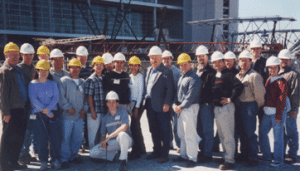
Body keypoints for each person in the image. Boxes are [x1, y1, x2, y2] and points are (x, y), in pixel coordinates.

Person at [210, 51, 244, 170]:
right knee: (221, 134)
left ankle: (230, 160)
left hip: (226, 108)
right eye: (214, 62)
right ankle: (226, 156)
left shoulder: (228, 74)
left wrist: (231, 99)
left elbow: (239, 86)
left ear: (223, 62)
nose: (217, 64)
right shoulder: (216, 75)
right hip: (218, 108)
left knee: (228, 135)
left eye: (219, 62)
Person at [0, 42, 28, 170]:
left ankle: (14, 161)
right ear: (5, 55)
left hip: (21, 109)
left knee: (18, 137)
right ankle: (4, 164)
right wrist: (6, 112)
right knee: (7, 139)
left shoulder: (18, 69)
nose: (16, 57)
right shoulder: (5, 71)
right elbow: (3, 94)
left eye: (17, 55)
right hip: (11, 110)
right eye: (12, 55)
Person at [28, 60, 61, 170]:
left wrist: (49, 111)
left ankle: (54, 160)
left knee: (54, 138)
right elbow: (33, 99)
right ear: (37, 71)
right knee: (41, 139)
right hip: (39, 114)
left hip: (52, 113)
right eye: (41, 71)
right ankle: (43, 161)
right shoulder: (32, 84)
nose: (44, 73)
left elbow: (55, 98)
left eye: (46, 71)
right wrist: (45, 110)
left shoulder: (52, 83)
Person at [235, 50, 266, 166]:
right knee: (241, 132)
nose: (243, 63)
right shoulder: (238, 76)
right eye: (241, 60)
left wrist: (258, 105)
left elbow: (259, 93)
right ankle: (244, 154)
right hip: (239, 106)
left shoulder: (254, 76)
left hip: (249, 106)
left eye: (245, 61)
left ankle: (253, 158)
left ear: (250, 62)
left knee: (250, 133)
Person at [144, 46, 174, 163]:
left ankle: (164, 154)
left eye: (156, 58)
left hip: (162, 106)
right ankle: (156, 150)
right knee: (153, 129)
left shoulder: (167, 71)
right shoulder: (148, 70)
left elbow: (170, 89)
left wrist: (167, 103)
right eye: (151, 58)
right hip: (150, 104)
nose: (153, 60)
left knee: (164, 129)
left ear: (161, 58)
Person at [90, 91, 132, 171]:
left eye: (113, 102)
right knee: (93, 153)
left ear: (117, 103)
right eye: (109, 102)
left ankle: (123, 161)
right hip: (114, 142)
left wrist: (109, 136)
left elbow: (124, 127)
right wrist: (102, 142)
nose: (111, 104)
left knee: (122, 134)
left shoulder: (123, 112)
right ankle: (112, 156)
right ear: (106, 104)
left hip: (126, 140)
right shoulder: (105, 118)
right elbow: (103, 135)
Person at [58, 58, 89, 169]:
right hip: (67, 116)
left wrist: (85, 109)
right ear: (69, 68)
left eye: (77, 67)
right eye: (72, 67)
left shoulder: (83, 82)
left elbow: (86, 99)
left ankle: (73, 156)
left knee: (77, 138)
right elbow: (61, 97)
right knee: (65, 138)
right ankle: (64, 158)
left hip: (79, 116)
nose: (75, 70)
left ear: (80, 69)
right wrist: (68, 108)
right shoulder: (64, 81)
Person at [172, 53, 202, 168]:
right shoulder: (181, 77)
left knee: (190, 134)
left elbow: (191, 96)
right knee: (181, 134)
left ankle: (192, 158)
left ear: (190, 63)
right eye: (181, 65)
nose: (183, 67)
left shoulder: (194, 78)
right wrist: (174, 104)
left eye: (185, 64)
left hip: (189, 108)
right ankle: (183, 155)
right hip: (181, 108)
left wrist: (180, 106)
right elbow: (177, 94)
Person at [259, 56, 289, 167]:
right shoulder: (268, 80)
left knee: (278, 138)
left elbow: (282, 99)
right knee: (262, 133)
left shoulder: (282, 81)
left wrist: (279, 115)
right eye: (270, 68)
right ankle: (266, 157)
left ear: (278, 67)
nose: (272, 70)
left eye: (274, 67)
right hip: (267, 112)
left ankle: (278, 160)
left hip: (277, 113)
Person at [277, 49, 300, 164]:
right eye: (282, 59)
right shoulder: (276, 72)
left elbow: (295, 93)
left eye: (286, 59)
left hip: (290, 108)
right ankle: (282, 152)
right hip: (279, 107)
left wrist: (293, 109)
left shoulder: (294, 74)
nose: (284, 61)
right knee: (282, 131)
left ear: (290, 60)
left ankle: (292, 154)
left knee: (291, 131)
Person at [18, 43, 38, 165]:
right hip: (24, 105)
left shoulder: (34, 68)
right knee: (25, 131)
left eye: (30, 54)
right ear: (21, 55)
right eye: (26, 54)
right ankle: (21, 155)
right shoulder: (19, 69)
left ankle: (27, 153)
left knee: (31, 130)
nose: (29, 57)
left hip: (33, 105)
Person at [195, 45, 216, 162]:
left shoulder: (211, 72)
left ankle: (207, 154)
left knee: (207, 130)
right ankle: (202, 151)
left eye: (202, 56)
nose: (200, 58)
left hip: (206, 105)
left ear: (207, 57)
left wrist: (209, 101)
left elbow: (213, 89)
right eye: (198, 56)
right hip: (197, 104)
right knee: (199, 129)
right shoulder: (197, 70)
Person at [162, 50, 182, 152]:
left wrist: (176, 102)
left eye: (168, 58)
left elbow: (179, 89)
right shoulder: (161, 70)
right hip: (164, 102)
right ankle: (168, 143)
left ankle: (179, 144)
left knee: (176, 125)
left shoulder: (177, 72)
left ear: (172, 59)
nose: (166, 60)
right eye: (164, 58)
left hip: (174, 102)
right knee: (166, 125)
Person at [85, 56, 106, 149]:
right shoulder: (91, 79)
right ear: (93, 67)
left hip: (103, 111)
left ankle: (99, 153)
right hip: (94, 111)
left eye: (101, 65)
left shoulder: (104, 78)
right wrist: (92, 111)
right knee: (93, 135)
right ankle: (93, 153)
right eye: (96, 65)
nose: (98, 67)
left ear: (103, 66)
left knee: (101, 133)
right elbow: (89, 96)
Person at [127, 56, 146, 160]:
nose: (133, 67)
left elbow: (140, 93)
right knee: (136, 127)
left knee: (134, 127)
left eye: (136, 65)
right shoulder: (130, 77)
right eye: (131, 65)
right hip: (131, 104)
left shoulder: (140, 77)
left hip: (138, 105)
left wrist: (137, 108)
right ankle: (142, 148)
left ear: (139, 66)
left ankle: (136, 151)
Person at [76, 46, 92, 152]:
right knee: (79, 122)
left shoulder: (90, 70)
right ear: (77, 57)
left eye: (84, 56)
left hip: (88, 99)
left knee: (87, 122)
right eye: (80, 57)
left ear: (87, 57)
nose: (82, 59)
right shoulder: (74, 69)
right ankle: (79, 144)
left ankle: (86, 143)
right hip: (79, 99)